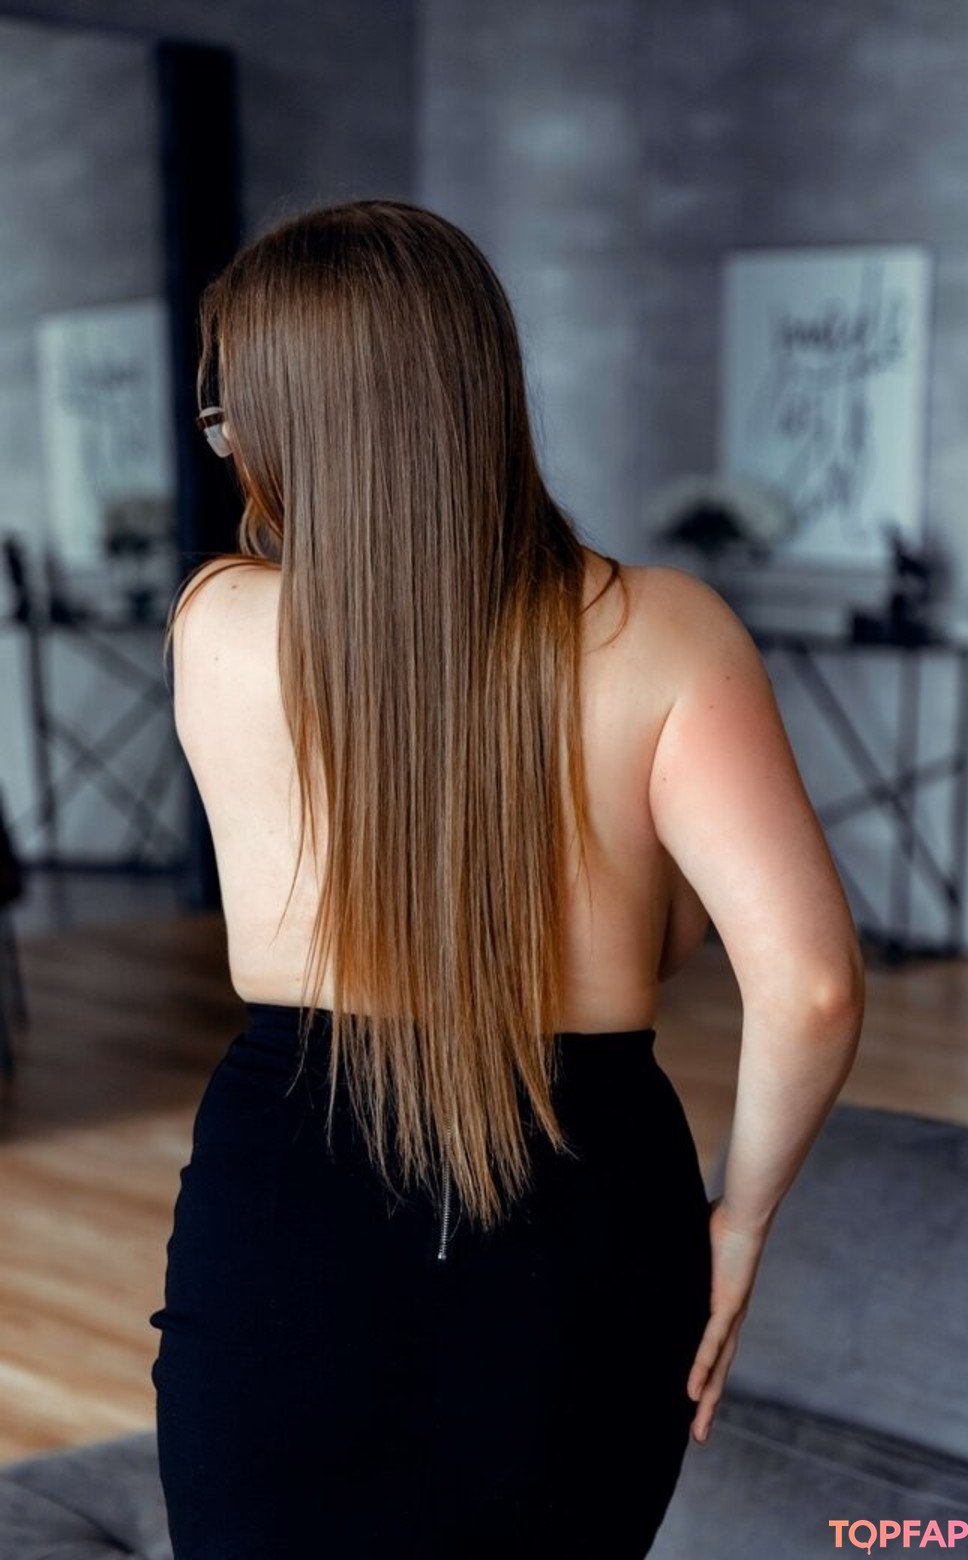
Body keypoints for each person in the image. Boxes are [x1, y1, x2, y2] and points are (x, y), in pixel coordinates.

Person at [147, 198, 865, 1559]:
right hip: (590, 1211)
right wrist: (742, 1223)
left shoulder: (215, 623)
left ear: (297, 424)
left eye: (232, 418)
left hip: (289, 1203)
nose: (231, 448)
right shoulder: (668, 634)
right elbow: (810, 988)